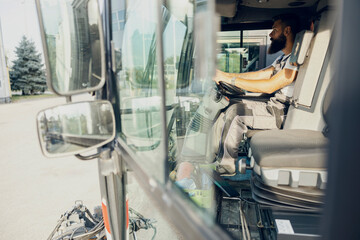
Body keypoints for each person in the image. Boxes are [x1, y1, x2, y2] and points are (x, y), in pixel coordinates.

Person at [176, 14, 301, 184]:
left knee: (236, 113)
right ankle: (211, 158)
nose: (271, 35)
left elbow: (270, 86)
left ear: (287, 31)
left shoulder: (294, 60)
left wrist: (231, 80)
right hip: (272, 106)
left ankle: (227, 167)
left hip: (280, 112)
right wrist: (225, 75)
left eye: (275, 30)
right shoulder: (283, 58)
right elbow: (260, 75)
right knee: (229, 105)